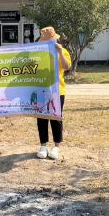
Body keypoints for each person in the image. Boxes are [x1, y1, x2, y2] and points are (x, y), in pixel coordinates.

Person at [36, 26, 71, 160]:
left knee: (56, 117)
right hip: (41, 89)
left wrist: (60, 52)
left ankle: (57, 146)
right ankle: (43, 145)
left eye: (51, 40)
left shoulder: (62, 51)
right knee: (41, 117)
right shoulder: (38, 53)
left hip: (58, 90)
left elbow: (66, 66)